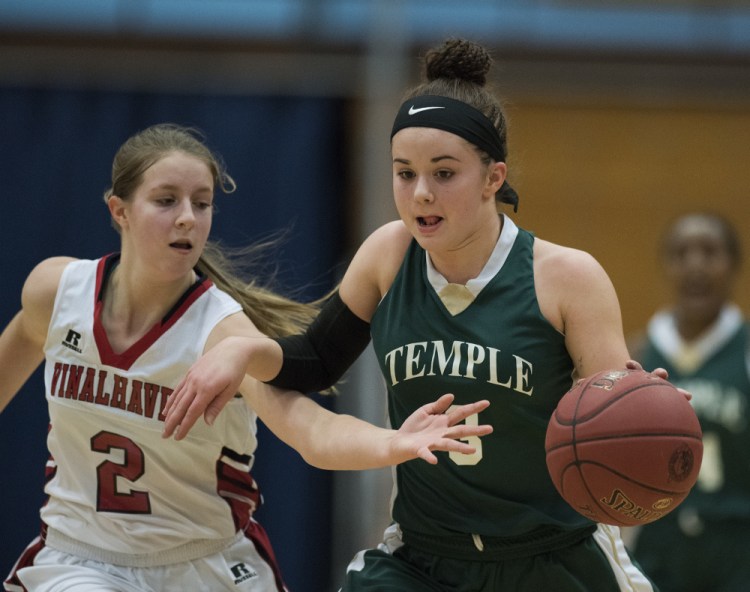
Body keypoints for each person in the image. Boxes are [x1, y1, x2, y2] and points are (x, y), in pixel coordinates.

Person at [163, 40, 662, 591]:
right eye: (405, 173)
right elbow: (315, 361)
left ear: (494, 178)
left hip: (550, 557)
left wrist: (645, 413)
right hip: (426, 559)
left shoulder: (567, 277)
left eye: (444, 174)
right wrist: (244, 349)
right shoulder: (388, 254)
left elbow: (612, 418)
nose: (421, 193)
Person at [0, 123, 494, 592]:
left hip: (205, 564)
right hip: (82, 558)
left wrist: (396, 441)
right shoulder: (58, 293)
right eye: (166, 201)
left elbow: (312, 431)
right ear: (119, 210)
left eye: (202, 203)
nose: (188, 218)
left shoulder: (223, 334)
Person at [626, 212, 750, 592]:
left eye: (710, 252)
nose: (695, 265)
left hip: (737, 546)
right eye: (682, 253)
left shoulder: (743, 350)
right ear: (667, 265)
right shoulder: (636, 354)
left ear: (733, 264)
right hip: (657, 545)